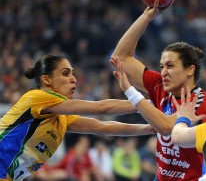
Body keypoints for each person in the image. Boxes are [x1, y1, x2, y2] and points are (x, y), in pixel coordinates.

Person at [0, 54, 154, 181]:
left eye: (72, 73)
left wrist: (150, 129)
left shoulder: (62, 118)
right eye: (66, 73)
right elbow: (101, 108)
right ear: (46, 80)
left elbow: (103, 127)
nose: (73, 79)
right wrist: (150, 103)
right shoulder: (38, 97)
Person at [110, 0, 206, 180]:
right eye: (161, 67)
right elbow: (120, 57)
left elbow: (166, 127)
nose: (163, 72)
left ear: (190, 69)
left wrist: (129, 90)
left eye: (170, 66)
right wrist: (146, 17)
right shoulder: (159, 85)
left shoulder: (202, 101)